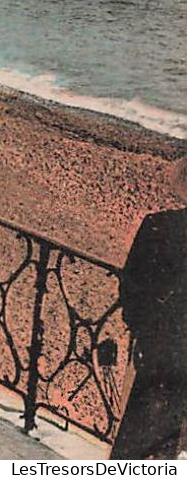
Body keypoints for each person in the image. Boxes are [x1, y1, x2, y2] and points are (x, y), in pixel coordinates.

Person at [110, 154, 186, 460]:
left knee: (139, 437)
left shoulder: (159, 225)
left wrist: (143, 331)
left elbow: (132, 288)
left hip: (160, 347)